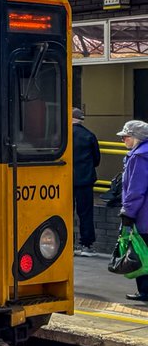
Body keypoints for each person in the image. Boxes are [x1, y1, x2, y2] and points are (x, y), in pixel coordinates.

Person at [116, 120, 148, 301]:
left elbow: (135, 190)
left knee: (140, 251)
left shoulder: (138, 157)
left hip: (143, 214)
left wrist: (127, 212)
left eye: (125, 137)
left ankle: (145, 291)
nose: (123, 141)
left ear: (136, 138)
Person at [72, 108, 101, 254]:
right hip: (85, 180)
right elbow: (97, 159)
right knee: (86, 213)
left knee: (65, 212)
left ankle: (67, 245)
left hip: (66, 180)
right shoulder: (89, 135)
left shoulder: (62, 136)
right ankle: (87, 245)